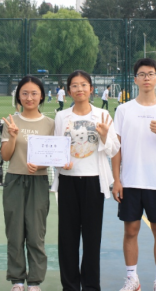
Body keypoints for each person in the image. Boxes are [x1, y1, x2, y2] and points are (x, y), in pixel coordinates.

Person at [112, 58, 156, 291]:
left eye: (150, 74)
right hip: (130, 182)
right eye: (142, 74)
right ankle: (132, 278)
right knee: (130, 231)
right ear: (135, 80)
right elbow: (116, 148)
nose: (146, 78)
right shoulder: (124, 110)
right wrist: (116, 180)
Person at [52, 70, 120, 291]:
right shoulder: (62, 117)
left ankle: (91, 286)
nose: (79, 89)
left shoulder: (102, 115)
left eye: (83, 85)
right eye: (74, 85)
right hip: (68, 182)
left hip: (94, 182)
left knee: (92, 239)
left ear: (91, 89)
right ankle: (70, 286)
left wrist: (103, 135)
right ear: (69, 90)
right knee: (67, 238)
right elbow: (57, 148)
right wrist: (60, 163)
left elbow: (113, 150)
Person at [0, 75, 55, 291]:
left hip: (39, 182)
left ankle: (34, 281)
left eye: (34, 93)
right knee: (14, 233)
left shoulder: (50, 124)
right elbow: (5, 156)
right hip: (14, 180)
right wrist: (13, 136)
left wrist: (40, 166)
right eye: (24, 93)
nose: (29, 98)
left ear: (41, 96)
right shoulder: (11, 122)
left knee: (36, 233)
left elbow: (55, 156)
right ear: (18, 96)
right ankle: (17, 280)